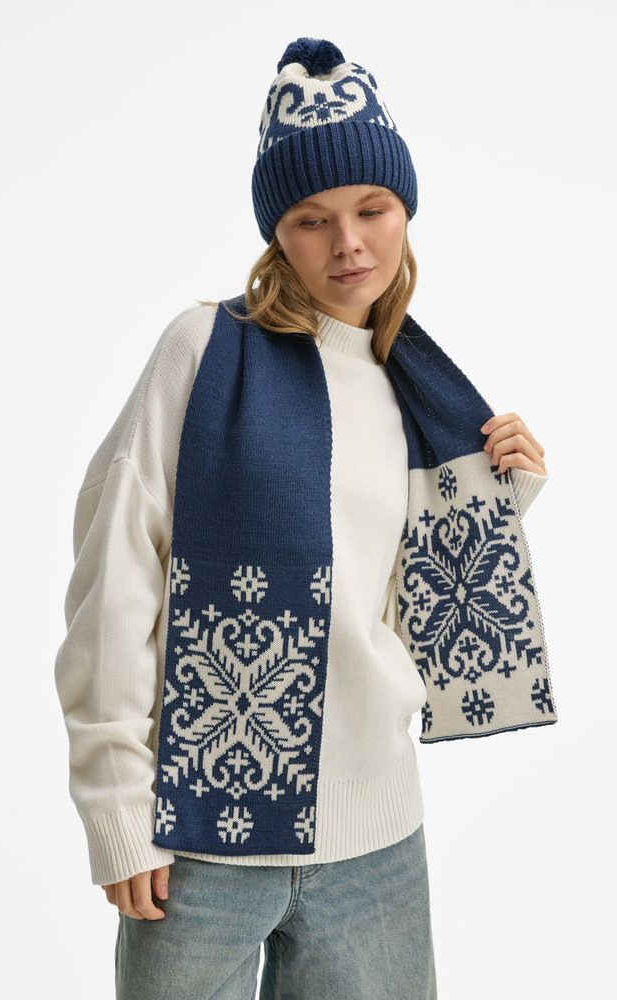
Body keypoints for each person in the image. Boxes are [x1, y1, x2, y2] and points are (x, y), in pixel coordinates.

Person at [54, 36, 549, 1000]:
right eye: (312, 219)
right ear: (276, 233)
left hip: (377, 843)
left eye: (372, 209)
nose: (348, 242)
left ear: (405, 210)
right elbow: (114, 577)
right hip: (201, 834)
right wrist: (116, 802)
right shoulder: (203, 351)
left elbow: (402, 617)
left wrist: (495, 502)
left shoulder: (420, 393)